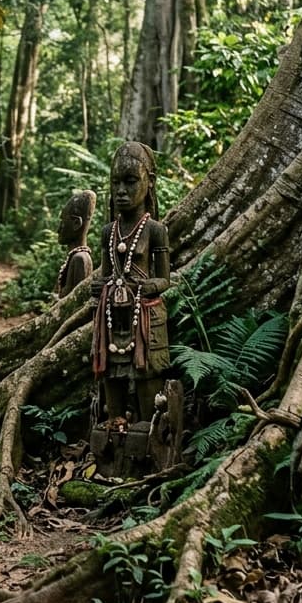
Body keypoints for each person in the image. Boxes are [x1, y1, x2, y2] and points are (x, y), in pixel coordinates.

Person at [91, 142, 171, 428]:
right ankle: (114, 419)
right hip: (112, 316)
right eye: (115, 183)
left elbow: (165, 280)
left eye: (130, 181)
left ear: (149, 183)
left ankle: (148, 425)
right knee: (112, 371)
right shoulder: (107, 232)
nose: (121, 191)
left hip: (144, 315)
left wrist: (146, 287)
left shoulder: (155, 230)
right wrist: (99, 286)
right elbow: (105, 272)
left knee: (147, 371)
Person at [56, 190, 96, 297]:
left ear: (76, 224)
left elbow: (77, 302)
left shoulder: (80, 259)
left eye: (63, 223)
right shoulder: (75, 257)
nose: (58, 229)